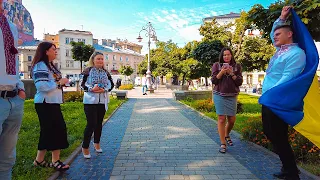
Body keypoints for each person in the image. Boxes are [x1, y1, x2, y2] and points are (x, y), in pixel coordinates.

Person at [261, 6, 305, 180]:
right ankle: (288, 167)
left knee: (278, 135)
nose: (275, 37)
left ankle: (291, 171)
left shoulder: (296, 53)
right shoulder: (281, 51)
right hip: (269, 98)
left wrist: (270, 95)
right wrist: (281, 17)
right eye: (275, 34)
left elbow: (288, 77)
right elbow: (274, 33)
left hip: (278, 100)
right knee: (271, 133)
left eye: (279, 34)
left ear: (290, 34)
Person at [31, 42, 70, 171]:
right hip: (45, 103)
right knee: (57, 130)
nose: (56, 51)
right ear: (46, 51)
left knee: (47, 131)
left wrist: (61, 83)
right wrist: (59, 83)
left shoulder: (50, 66)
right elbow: (42, 86)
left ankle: (39, 160)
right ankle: (55, 161)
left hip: (51, 102)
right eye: (53, 49)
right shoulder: (40, 66)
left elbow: (50, 83)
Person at [0, 1, 25, 178]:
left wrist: (20, 86)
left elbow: (13, 56)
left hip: (14, 97)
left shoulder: (10, 25)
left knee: (8, 156)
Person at [80, 51, 113, 159]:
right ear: (93, 60)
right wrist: (91, 89)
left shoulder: (105, 72)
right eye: (98, 59)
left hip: (102, 101)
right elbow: (82, 84)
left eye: (102, 59)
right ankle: (85, 147)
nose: (100, 61)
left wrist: (105, 89)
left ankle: (97, 143)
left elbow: (111, 84)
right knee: (91, 124)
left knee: (99, 124)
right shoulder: (87, 71)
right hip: (90, 101)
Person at [211, 47, 243, 153]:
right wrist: (222, 72)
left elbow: (239, 82)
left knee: (232, 120)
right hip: (219, 94)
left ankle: (226, 134)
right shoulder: (217, 65)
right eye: (224, 55)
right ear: (222, 56)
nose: (226, 57)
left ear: (231, 55)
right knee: (221, 118)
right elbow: (214, 80)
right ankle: (223, 143)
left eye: (228, 54)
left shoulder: (237, 66)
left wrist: (231, 73)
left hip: (232, 95)